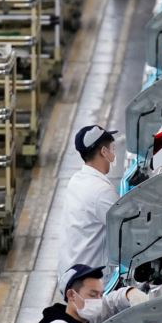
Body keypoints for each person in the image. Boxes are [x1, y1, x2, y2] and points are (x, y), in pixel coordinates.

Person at [57, 124, 118, 294]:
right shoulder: (101, 191)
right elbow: (128, 231)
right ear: (104, 152)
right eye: (112, 148)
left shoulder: (77, 180)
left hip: (70, 275)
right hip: (87, 285)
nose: (114, 153)